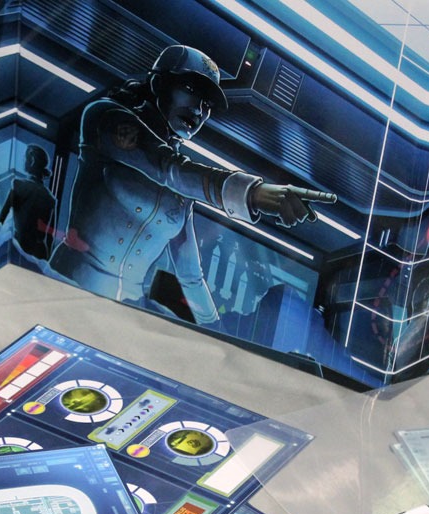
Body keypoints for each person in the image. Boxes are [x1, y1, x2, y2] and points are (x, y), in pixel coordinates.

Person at [49, 44, 334, 327]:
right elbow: (167, 167)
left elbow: (189, 274)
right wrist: (252, 193)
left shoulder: (184, 186)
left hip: (122, 319)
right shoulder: (106, 116)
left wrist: (215, 331)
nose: (198, 110)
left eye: (207, 105)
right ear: (159, 83)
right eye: (190, 89)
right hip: (64, 294)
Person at [0, 144, 57, 260]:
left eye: (24, 158)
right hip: (39, 254)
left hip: (19, 249)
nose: (23, 160)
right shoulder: (51, 199)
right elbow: (50, 237)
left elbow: (0, 219)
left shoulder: (18, 185)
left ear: (31, 161)